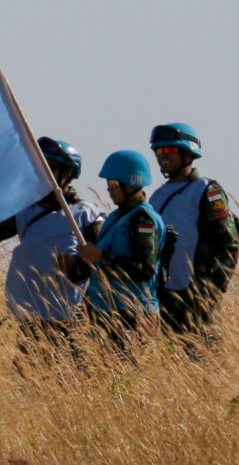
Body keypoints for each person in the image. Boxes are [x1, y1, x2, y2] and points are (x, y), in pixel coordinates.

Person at [0, 137, 103, 365]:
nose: (44, 173)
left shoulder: (86, 214)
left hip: (69, 318)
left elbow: (103, 264)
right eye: (40, 167)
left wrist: (75, 265)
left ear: (68, 173)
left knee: (70, 379)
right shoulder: (25, 211)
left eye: (51, 168)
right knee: (30, 379)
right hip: (30, 317)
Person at [147, 122, 239, 350]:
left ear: (187, 152)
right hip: (165, 297)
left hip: (197, 296)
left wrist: (212, 289)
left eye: (169, 150)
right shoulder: (157, 196)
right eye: (158, 151)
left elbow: (228, 242)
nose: (162, 157)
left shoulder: (207, 189)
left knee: (205, 360)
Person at [60, 150, 164, 355]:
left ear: (133, 183)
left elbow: (144, 270)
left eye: (114, 184)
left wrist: (99, 257)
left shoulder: (143, 220)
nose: (109, 190)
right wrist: (76, 263)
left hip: (132, 316)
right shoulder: (116, 217)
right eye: (108, 184)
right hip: (107, 311)